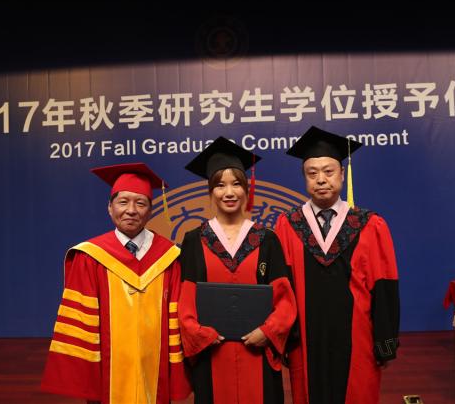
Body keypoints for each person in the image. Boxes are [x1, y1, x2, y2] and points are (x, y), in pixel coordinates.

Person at [41, 163, 191, 404]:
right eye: (123, 202)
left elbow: (176, 319)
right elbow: (81, 324)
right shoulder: (90, 256)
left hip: (156, 368)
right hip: (106, 370)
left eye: (140, 203)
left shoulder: (170, 257)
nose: (131, 210)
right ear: (110, 208)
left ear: (150, 210)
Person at [274, 126, 400, 404]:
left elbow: (384, 285)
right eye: (312, 173)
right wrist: (284, 337)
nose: (321, 179)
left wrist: (385, 340)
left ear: (342, 174)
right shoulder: (288, 224)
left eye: (328, 171)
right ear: (304, 178)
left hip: (358, 335)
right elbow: (281, 288)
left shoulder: (369, 224)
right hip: (305, 338)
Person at [177, 137, 297, 404]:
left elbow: (285, 299)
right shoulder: (194, 240)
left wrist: (268, 331)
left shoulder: (267, 239)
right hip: (212, 354)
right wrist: (201, 333)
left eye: (236, 184)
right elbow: (185, 300)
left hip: (258, 352)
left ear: (247, 189)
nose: (229, 192)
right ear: (210, 191)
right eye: (220, 185)